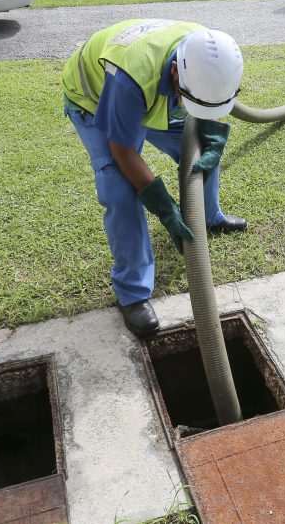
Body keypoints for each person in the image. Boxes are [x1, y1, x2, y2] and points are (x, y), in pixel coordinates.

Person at [63, 19, 247, 339]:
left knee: (201, 147)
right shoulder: (131, 77)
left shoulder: (208, 55)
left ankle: (208, 216)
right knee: (120, 187)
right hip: (96, 99)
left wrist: (212, 133)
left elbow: (210, 103)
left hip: (155, 92)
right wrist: (166, 209)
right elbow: (122, 150)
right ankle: (132, 293)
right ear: (176, 71)